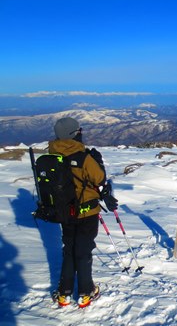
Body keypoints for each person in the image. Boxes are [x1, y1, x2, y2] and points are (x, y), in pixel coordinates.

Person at [49, 117, 118, 308]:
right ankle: (86, 292)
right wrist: (97, 161)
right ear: (74, 134)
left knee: (69, 250)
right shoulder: (83, 157)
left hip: (64, 211)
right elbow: (99, 179)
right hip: (86, 212)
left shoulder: (51, 155)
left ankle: (64, 293)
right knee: (83, 251)